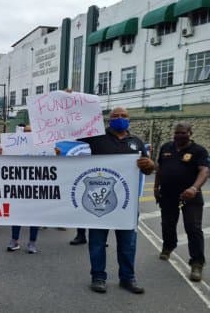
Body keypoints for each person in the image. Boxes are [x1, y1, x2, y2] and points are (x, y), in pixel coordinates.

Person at [81, 107, 154, 294]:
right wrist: (68, 100)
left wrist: (150, 165)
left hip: (127, 205)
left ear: (129, 119)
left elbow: (147, 169)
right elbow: (71, 135)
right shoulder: (97, 139)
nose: (119, 119)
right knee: (97, 242)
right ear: (108, 120)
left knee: (128, 243)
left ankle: (127, 278)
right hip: (99, 202)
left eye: (123, 116)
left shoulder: (136, 142)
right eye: (115, 116)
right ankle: (98, 277)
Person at [154, 123, 209, 282]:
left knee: (193, 228)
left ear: (190, 133)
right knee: (167, 224)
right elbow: (160, 169)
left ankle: (197, 263)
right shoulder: (166, 147)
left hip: (190, 197)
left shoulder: (199, 151)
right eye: (177, 133)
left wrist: (194, 188)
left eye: (183, 133)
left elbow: (204, 171)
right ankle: (168, 247)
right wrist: (156, 187)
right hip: (167, 195)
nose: (179, 135)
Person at [7, 125, 40, 253]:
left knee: (34, 217)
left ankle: (32, 242)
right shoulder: (15, 147)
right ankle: (14, 241)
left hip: (36, 187)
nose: (27, 134)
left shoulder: (41, 148)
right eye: (25, 131)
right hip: (19, 187)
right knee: (17, 215)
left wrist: (56, 154)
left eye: (30, 132)